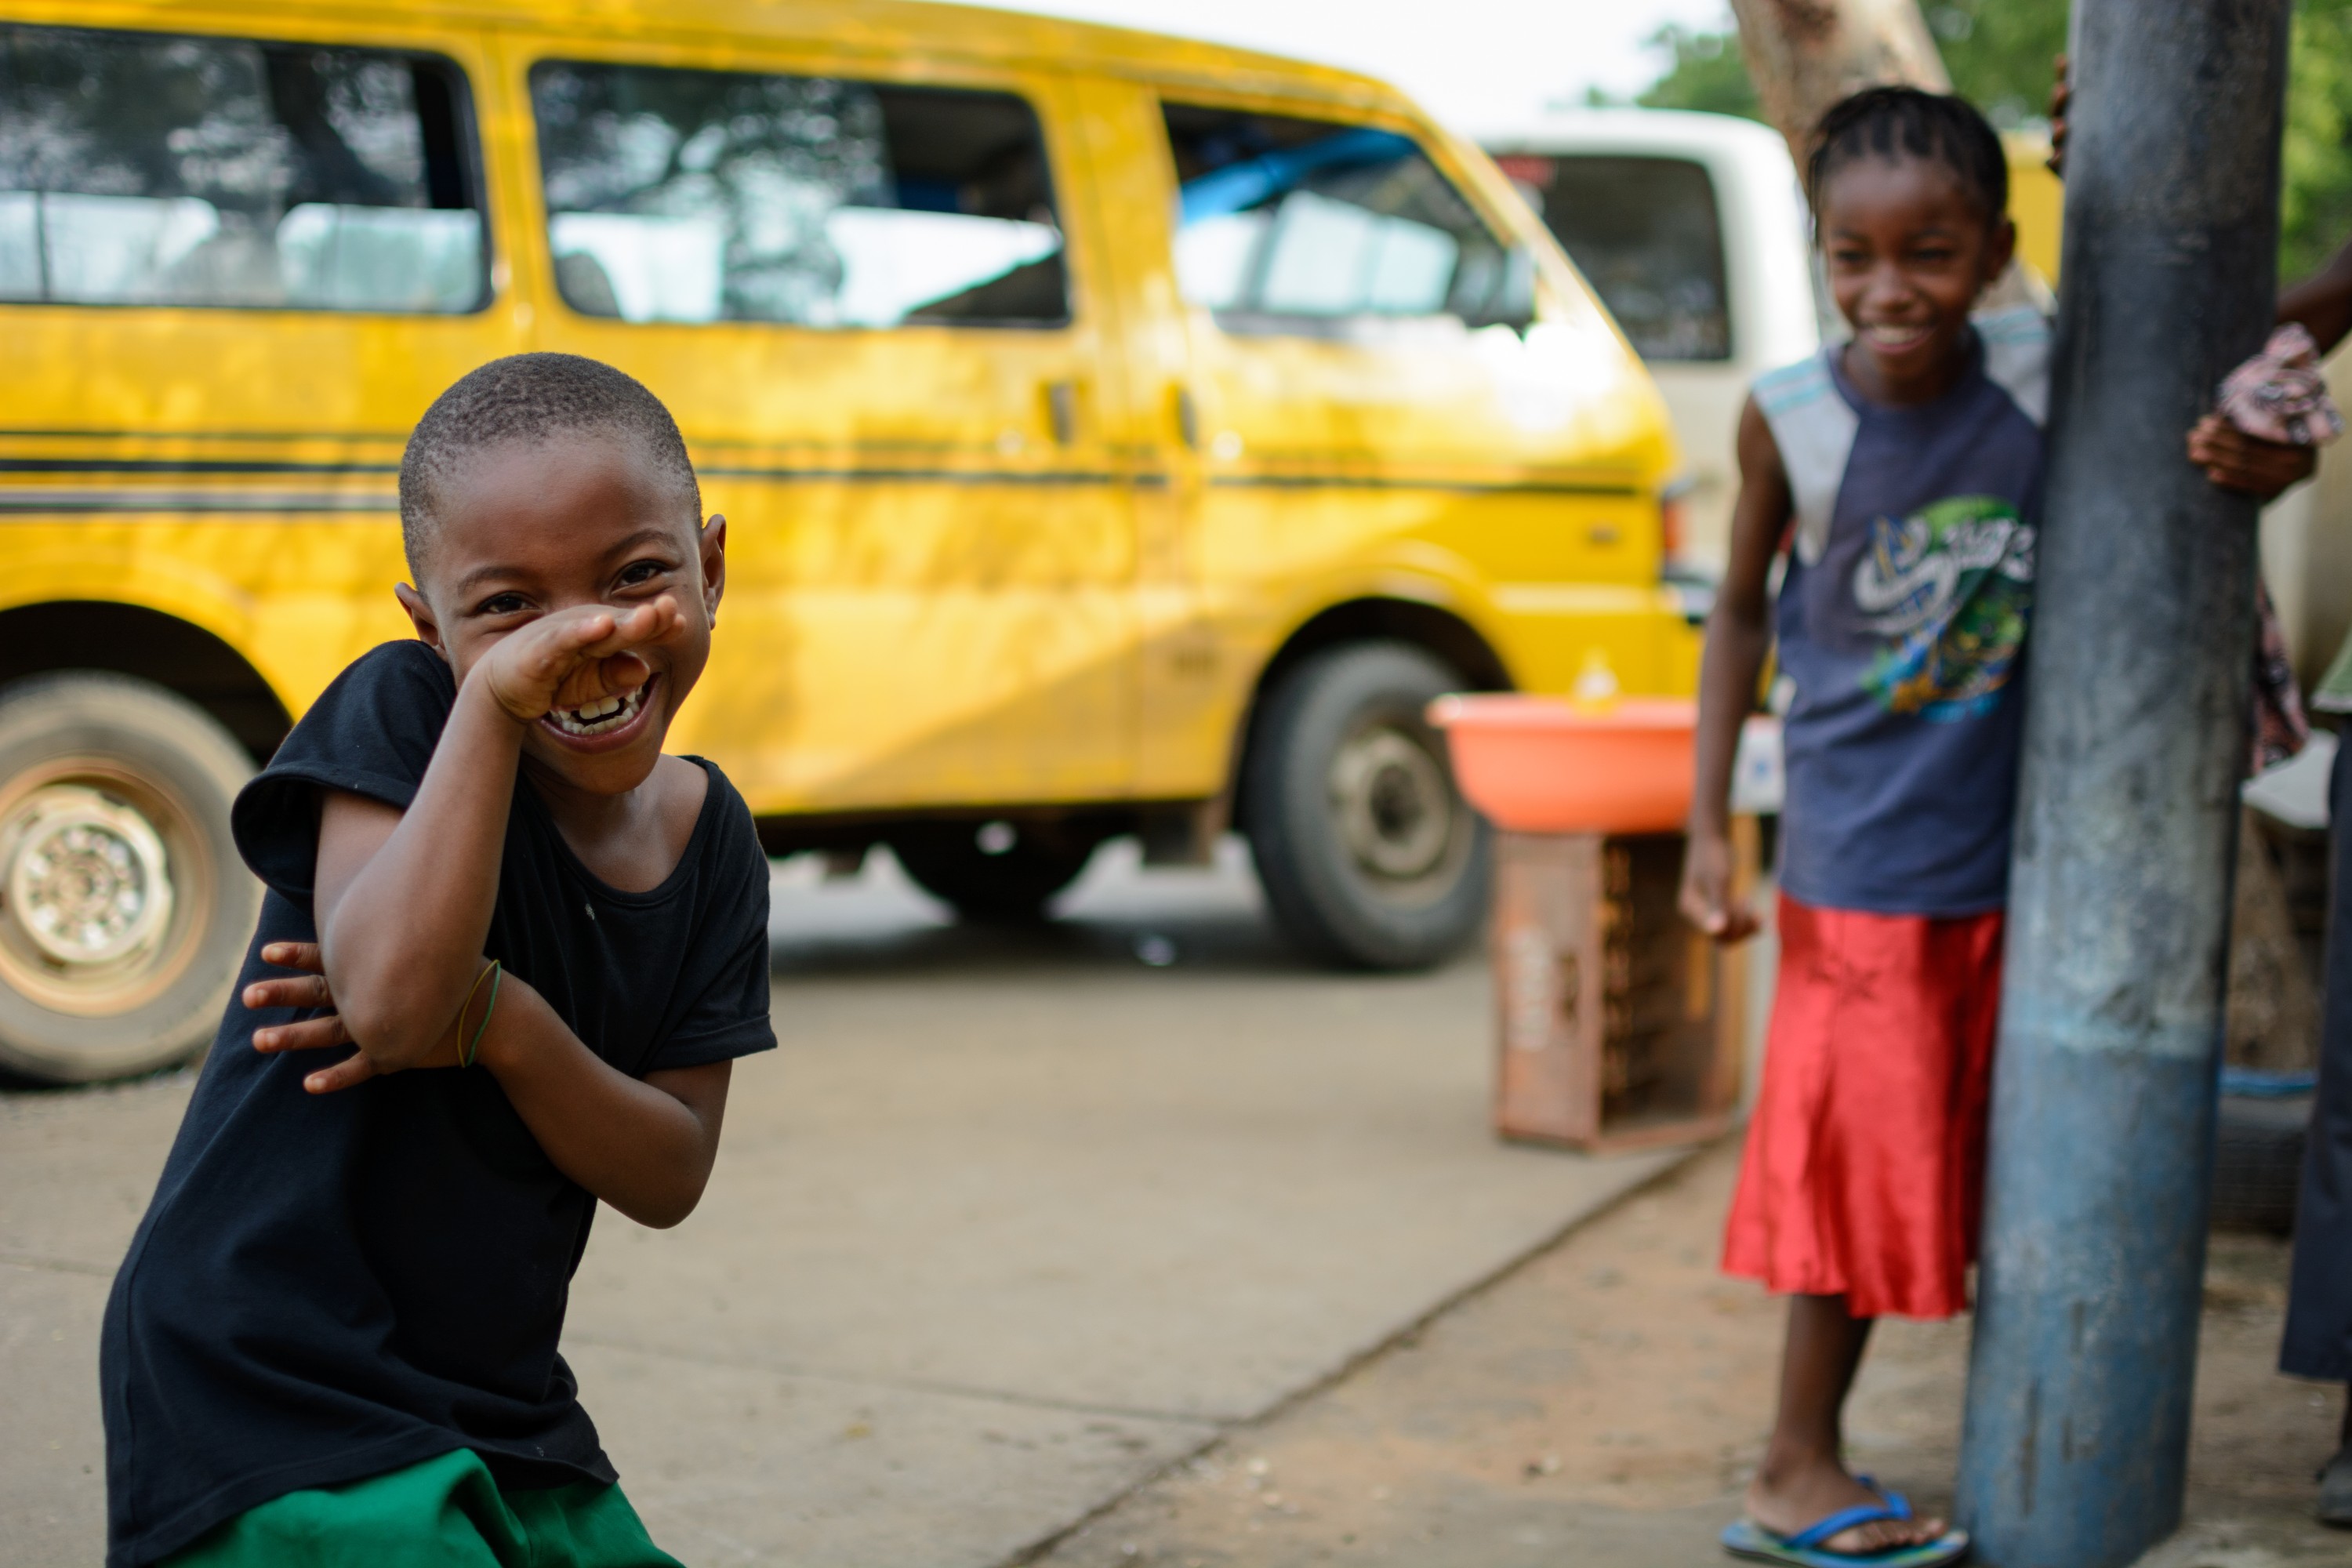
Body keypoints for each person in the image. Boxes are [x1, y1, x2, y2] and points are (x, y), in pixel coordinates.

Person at [100, 354, 776, 1567]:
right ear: (429, 627)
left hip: (501, 1407)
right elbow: (403, 1009)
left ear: (711, 568)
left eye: (633, 578)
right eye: (510, 608)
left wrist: (506, 1021)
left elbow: (670, 1169)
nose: (579, 645)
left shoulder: (712, 841)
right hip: (270, 1380)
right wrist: (487, 705)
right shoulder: (405, 713)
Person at [1680, 85, 2042, 1566]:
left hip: (2008, 857)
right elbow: (1737, 620)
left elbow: (2248, 319)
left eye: (1933, 253)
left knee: (1942, 1166)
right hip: (1862, 866)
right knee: (1853, 1175)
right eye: (1853, 257)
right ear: (1819, 253)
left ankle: (1833, 1454)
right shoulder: (1793, 415)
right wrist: (1707, 822)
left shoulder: (2039, 373)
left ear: (1996, 252)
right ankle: (1792, 1466)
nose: (1891, 291)